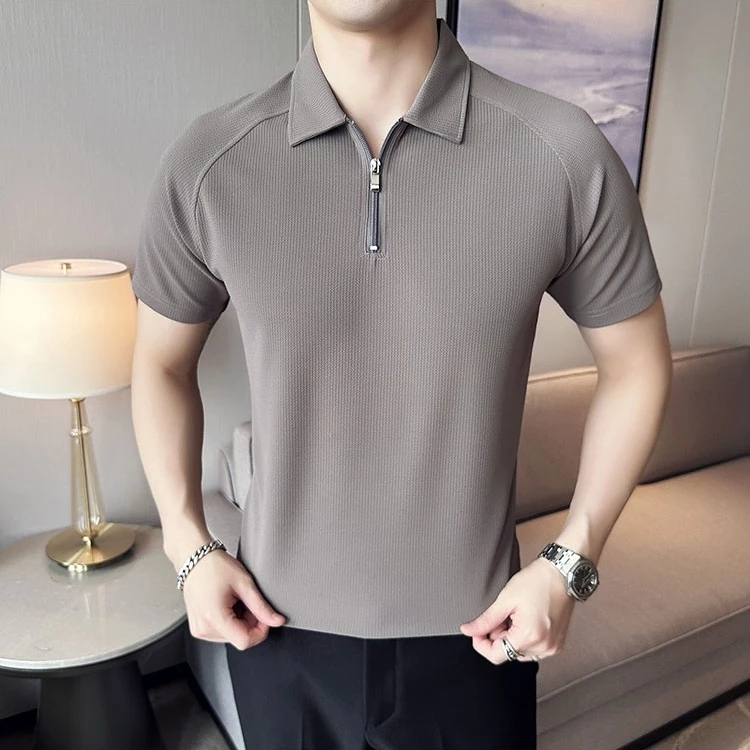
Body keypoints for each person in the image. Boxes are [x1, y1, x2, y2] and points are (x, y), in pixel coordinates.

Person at [130, 1, 673, 748]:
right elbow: (160, 363)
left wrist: (572, 559)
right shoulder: (210, 164)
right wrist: (186, 545)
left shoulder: (561, 152)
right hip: (276, 633)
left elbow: (637, 365)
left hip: (478, 636)